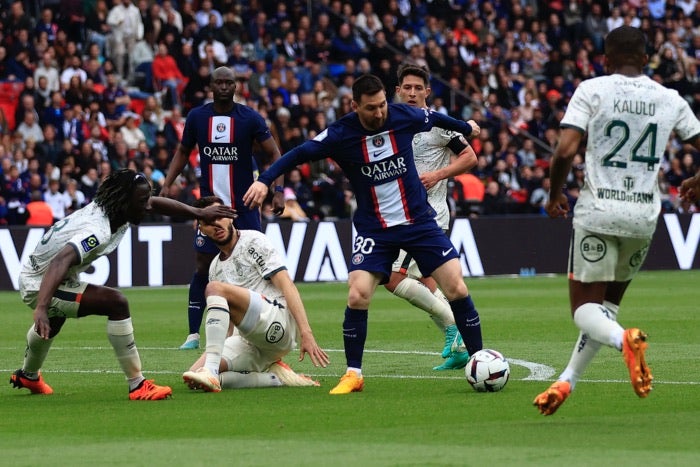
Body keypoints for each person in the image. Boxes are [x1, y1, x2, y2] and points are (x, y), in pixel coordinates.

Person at [243, 74, 484, 395]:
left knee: (455, 285)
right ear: (355, 106)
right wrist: (265, 180)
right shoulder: (341, 133)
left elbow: (436, 118)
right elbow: (299, 153)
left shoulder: (403, 115)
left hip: (419, 222)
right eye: (372, 108)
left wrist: (465, 127)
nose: (380, 113)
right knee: (358, 294)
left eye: (383, 104)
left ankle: (480, 359)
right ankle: (354, 374)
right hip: (375, 230)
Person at [533, 26, 700, 416]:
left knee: (584, 311)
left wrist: (556, 194)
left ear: (605, 59)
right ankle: (567, 380)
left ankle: (624, 341)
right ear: (646, 58)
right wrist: (696, 180)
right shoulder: (669, 98)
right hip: (643, 217)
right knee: (605, 308)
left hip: (597, 213)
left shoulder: (593, 89)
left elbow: (565, 151)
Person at [10, 169, 236, 400]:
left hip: (51, 275)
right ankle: (138, 385)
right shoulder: (97, 230)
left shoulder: (118, 208)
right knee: (116, 303)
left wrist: (198, 212)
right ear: (125, 201)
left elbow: (156, 203)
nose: (147, 207)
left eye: (146, 199)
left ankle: (29, 375)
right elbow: (61, 259)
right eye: (141, 202)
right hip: (39, 283)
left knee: (56, 318)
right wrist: (41, 306)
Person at [160, 66, 285, 351]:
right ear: (211, 86)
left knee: (256, 266)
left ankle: (259, 326)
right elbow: (182, 151)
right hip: (209, 211)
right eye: (220, 82)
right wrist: (168, 182)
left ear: (236, 86)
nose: (225, 87)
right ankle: (193, 334)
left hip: (246, 208)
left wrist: (277, 190)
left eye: (230, 82)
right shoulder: (197, 117)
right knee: (203, 265)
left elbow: (275, 154)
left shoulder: (250, 118)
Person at [182, 196, 330, 392]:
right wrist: (223, 350)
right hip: (250, 340)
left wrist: (306, 333)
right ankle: (274, 378)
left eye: (220, 216)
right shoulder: (215, 267)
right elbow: (228, 322)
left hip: (277, 322)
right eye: (208, 222)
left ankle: (211, 370)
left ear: (231, 216)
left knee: (214, 289)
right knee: (194, 377)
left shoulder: (253, 241)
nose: (216, 224)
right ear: (201, 230)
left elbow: (287, 285)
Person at [388, 64, 478, 371]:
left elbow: (470, 156)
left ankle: (455, 326)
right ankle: (459, 349)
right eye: (407, 87)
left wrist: (439, 173)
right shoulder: (390, 122)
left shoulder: (439, 125)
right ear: (397, 89)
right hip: (398, 214)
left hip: (428, 215)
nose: (412, 93)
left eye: (418, 88)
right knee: (427, 282)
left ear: (427, 91)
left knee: (391, 276)